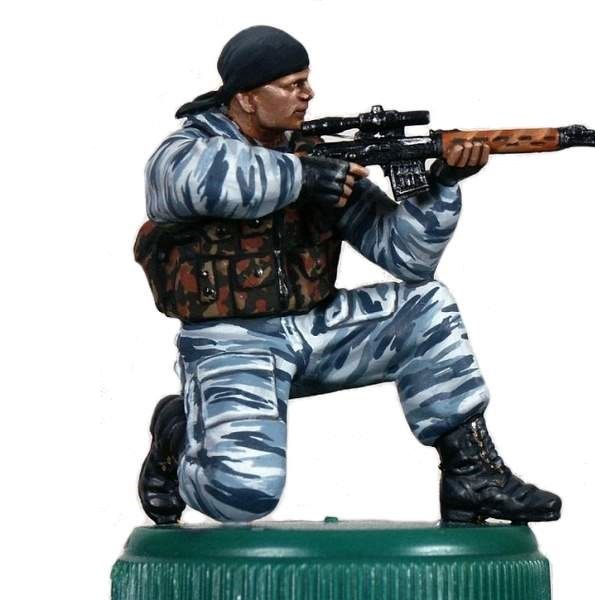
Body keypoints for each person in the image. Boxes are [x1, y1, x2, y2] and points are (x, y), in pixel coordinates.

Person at [135, 25, 561, 525]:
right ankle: (176, 435)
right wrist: (302, 177)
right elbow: (190, 181)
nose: (308, 94)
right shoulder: (188, 150)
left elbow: (406, 255)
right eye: (292, 85)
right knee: (241, 496)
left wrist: (442, 185)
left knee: (426, 304)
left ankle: (473, 476)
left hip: (318, 330)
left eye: (307, 81)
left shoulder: (318, 154)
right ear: (247, 97)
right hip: (232, 343)